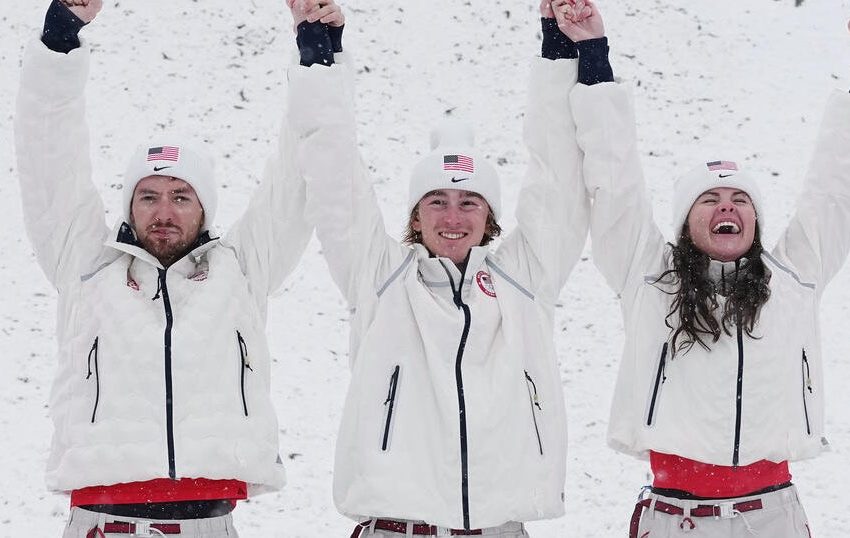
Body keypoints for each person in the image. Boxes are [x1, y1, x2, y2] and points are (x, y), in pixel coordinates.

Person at [282, 0, 613, 535]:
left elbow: (556, 174)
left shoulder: (524, 279)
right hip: (397, 526)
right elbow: (333, 170)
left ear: (490, 216)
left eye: (469, 202)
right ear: (416, 215)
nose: (453, 217)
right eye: (436, 201)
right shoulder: (380, 276)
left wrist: (561, 50)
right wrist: (320, 53)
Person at [15, 1, 313, 536]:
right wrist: (60, 41)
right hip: (106, 521)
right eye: (148, 196)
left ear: (204, 208)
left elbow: (297, 180)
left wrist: (317, 58)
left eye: (181, 196)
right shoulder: (87, 266)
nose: (164, 212)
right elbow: (49, 161)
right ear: (130, 206)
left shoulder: (240, 270)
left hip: (209, 523)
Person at [557, 0, 850, 536]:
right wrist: (592, 54)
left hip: (773, 518)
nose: (726, 207)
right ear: (685, 221)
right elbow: (615, 179)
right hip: (676, 518)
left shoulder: (794, 278)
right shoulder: (649, 278)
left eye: (740, 199)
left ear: (755, 220)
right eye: (709, 199)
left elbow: (836, 184)